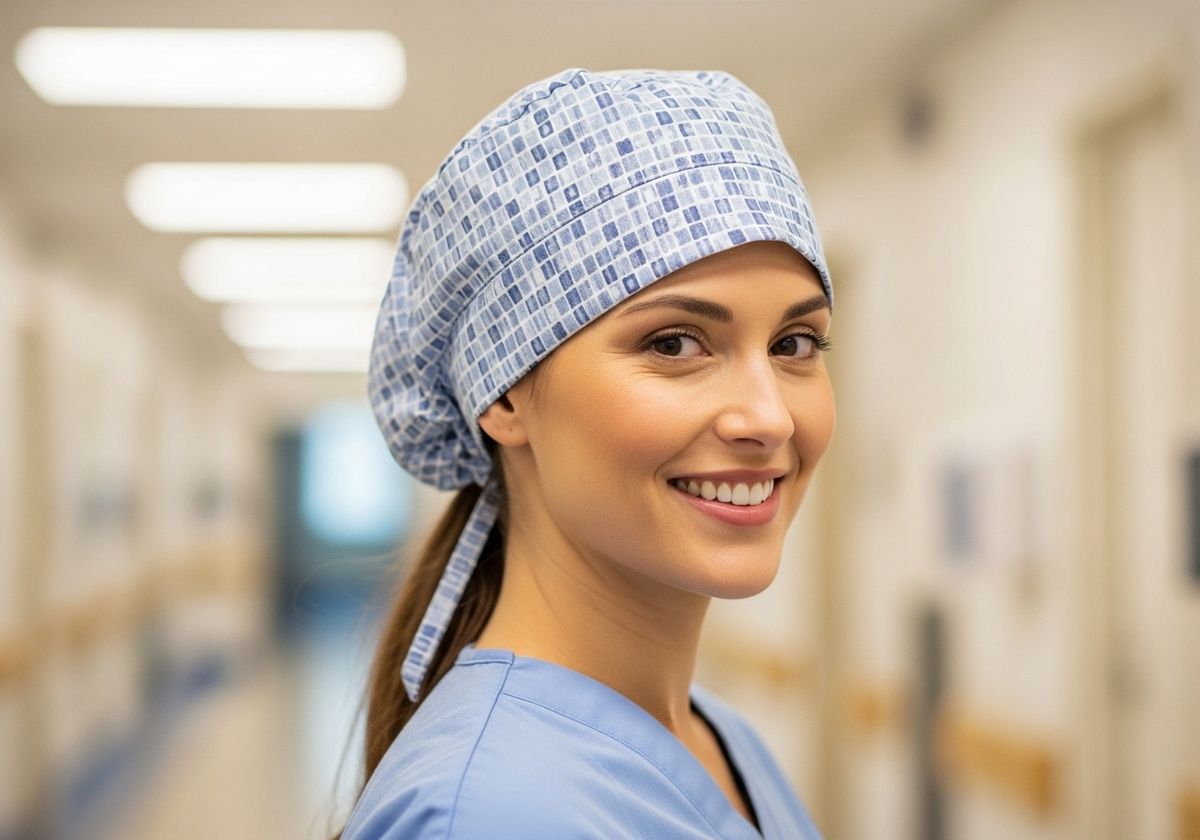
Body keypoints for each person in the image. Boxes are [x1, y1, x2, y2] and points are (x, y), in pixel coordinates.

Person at [340, 67, 835, 839]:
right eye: (675, 343)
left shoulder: (722, 743)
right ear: (503, 395)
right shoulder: (488, 816)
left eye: (794, 343)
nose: (768, 417)